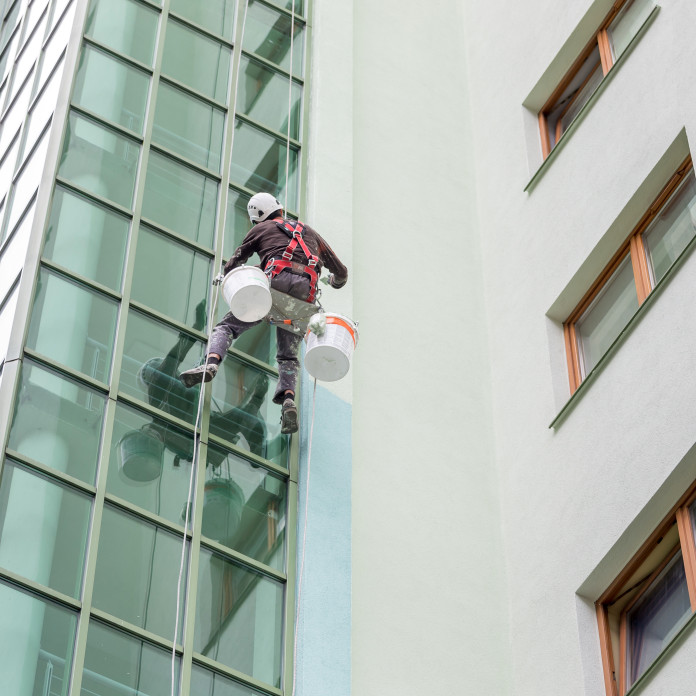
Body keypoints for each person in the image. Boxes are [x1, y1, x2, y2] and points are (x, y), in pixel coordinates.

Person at [179, 192, 348, 434]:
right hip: (304, 297)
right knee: (288, 356)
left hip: (273, 287)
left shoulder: (261, 230)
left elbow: (235, 262)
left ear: (258, 217)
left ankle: (211, 364)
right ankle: (288, 401)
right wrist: (333, 281)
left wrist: (227, 275)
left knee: (227, 327)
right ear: (278, 208)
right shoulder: (311, 233)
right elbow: (341, 272)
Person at [136, 299, 270, 462]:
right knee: (241, 415)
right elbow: (175, 355)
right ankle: (256, 404)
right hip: (193, 427)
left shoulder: (164, 392)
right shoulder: (159, 388)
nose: (164, 368)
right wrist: (197, 326)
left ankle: (256, 442)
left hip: (201, 424)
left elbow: (175, 358)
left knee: (241, 415)